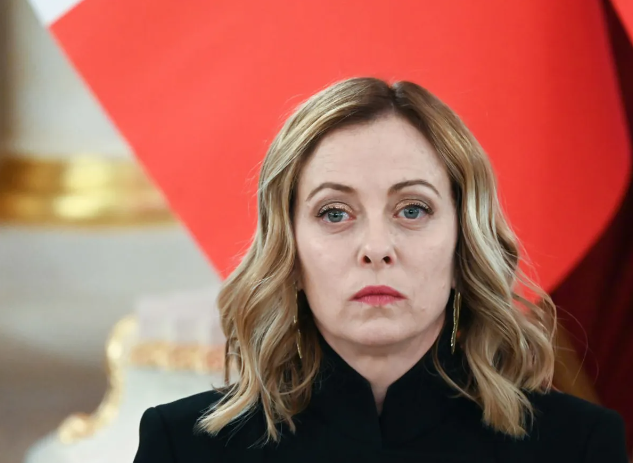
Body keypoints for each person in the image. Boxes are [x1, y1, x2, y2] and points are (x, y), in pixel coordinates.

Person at [133, 77, 628, 462]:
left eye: (412, 209)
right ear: (290, 253)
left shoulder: (578, 446)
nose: (376, 249)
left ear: (463, 246)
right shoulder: (184, 448)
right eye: (334, 213)